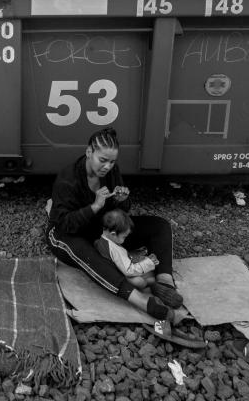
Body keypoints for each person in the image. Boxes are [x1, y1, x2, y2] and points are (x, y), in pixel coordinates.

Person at [46, 127, 193, 342]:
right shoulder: (68, 179)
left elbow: (121, 215)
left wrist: (122, 201)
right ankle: (143, 302)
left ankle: (164, 283)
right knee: (89, 255)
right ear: (89, 153)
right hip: (66, 234)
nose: (107, 167)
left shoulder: (112, 173)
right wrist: (95, 207)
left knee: (159, 226)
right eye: (103, 160)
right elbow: (65, 224)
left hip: (102, 229)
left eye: (112, 162)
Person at [95, 209, 160, 290]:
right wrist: (148, 263)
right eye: (124, 237)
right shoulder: (115, 250)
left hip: (118, 266)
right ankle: (150, 284)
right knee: (139, 281)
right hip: (121, 274)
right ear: (113, 234)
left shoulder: (103, 239)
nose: (125, 239)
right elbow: (128, 271)